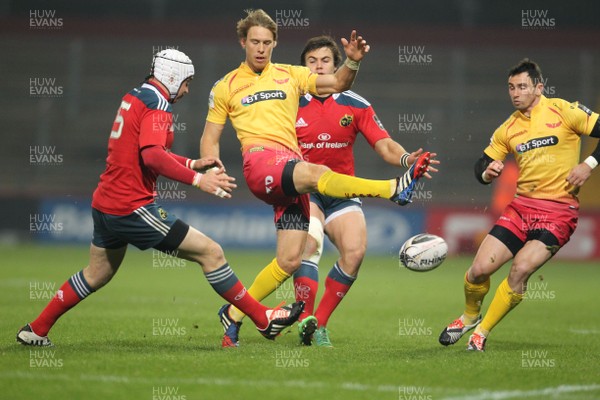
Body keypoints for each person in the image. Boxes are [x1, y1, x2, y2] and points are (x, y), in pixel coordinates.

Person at [16, 49, 304, 347]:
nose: (187, 89)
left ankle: (36, 329)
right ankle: (262, 318)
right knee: (211, 253)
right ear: (173, 76)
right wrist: (197, 180)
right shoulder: (158, 103)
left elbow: (146, 149)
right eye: (186, 82)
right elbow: (152, 155)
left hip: (106, 203)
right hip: (132, 207)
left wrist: (191, 163)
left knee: (97, 273)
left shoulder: (136, 95)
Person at [200, 9, 434, 348]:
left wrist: (352, 62)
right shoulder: (226, 86)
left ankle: (235, 316)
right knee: (318, 187)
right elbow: (210, 136)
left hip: (304, 181)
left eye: (267, 42)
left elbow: (341, 84)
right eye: (255, 42)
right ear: (243, 42)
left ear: (275, 43)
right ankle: (393, 188)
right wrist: (211, 166)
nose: (261, 48)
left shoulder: (291, 78)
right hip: (268, 168)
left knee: (290, 259)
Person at [438, 59, 600, 351]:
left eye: (522, 86)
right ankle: (469, 316)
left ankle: (482, 333)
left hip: (558, 213)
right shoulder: (509, 127)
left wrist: (588, 164)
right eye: (511, 87)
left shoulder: (564, 111)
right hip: (521, 209)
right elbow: (482, 165)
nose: (516, 93)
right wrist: (487, 174)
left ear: (539, 87)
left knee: (521, 269)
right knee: (477, 271)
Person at [291, 35, 438, 347]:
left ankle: (320, 325)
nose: (319, 67)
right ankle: (303, 316)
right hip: (306, 190)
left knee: (355, 253)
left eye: (325, 61)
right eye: (312, 62)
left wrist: (406, 159)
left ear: (336, 66)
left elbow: (383, 144)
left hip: (343, 192)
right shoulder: (289, 104)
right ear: (302, 68)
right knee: (309, 244)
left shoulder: (356, 104)